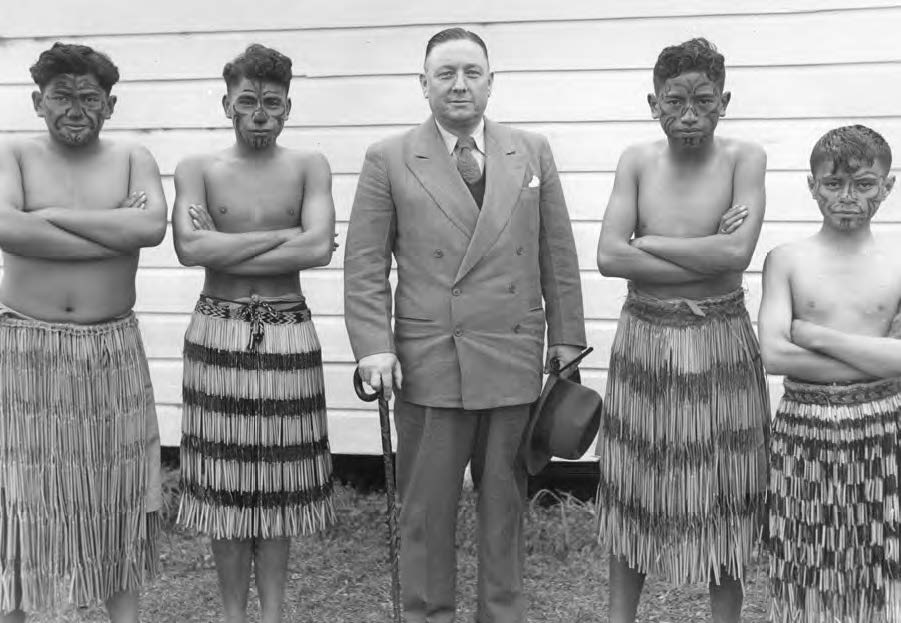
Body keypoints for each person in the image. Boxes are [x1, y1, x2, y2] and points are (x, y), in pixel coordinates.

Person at [343, 27, 586, 623]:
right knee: (426, 509)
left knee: (505, 504)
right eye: (445, 73)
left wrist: (567, 339)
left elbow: (556, 251)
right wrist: (373, 346)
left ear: (491, 82)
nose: (459, 85)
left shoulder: (531, 150)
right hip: (431, 360)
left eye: (471, 73)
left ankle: (501, 614)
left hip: (513, 354)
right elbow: (366, 262)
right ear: (422, 84)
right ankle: (429, 614)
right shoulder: (389, 157)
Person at [595, 38, 769, 623]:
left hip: (721, 341)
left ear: (725, 100)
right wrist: (707, 250)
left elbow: (737, 254)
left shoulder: (746, 158)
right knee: (635, 486)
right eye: (675, 101)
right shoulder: (636, 161)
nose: (689, 113)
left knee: (724, 487)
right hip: (645, 342)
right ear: (653, 102)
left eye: (702, 100)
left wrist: (651, 242)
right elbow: (609, 258)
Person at [0, 43, 166, 623]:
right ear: (37, 102)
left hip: (111, 350)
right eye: (61, 97)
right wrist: (109, 229)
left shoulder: (130, 157)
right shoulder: (14, 155)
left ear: (110, 104)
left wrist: (44, 216)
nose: (75, 109)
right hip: (27, 349)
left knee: (115, 493)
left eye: (89, 97)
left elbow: (149, 227)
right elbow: (5, 229)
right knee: (21, 496)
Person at [172, 44, 336, 623]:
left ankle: (272, 616)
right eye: (249, 102)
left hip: (289, 334)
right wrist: (282, 235)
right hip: (217, 332)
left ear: (288, 108)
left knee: (280, 483)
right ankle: (231, 616)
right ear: (228, 105)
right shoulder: (199, 168)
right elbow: (190, 248)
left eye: (273, 103)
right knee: (224, 484)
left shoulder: (309, 165)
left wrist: (229, 242)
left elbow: (318, 247)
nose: (260, 113)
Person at [758, 125, 901, 622]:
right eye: (834, 183)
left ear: (888, 185)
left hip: (883, 427)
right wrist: (873, 355)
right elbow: (773, 354)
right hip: (804, 427)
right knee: (805, 553)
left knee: (881, 551)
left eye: (864, 184)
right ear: (812, 184)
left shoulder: (899, 261)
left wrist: (816, 335)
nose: (848, 197)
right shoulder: (787, 261)